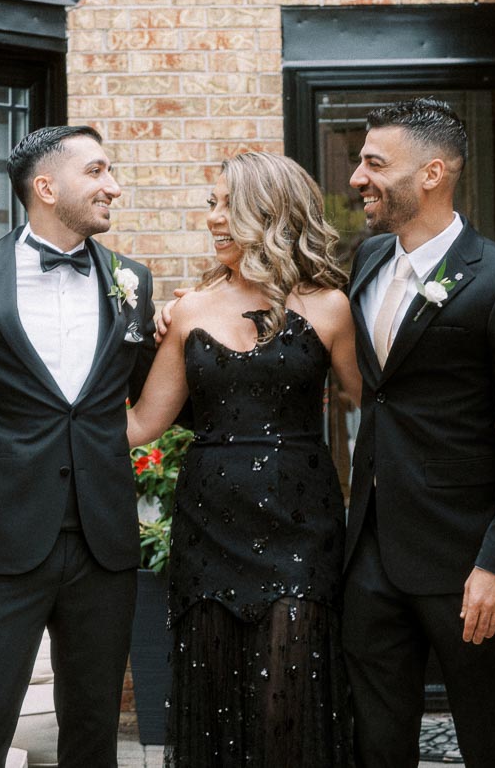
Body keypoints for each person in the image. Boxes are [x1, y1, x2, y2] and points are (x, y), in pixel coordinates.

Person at [0, 125, 158, 768]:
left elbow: (160, 396)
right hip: (0, 543)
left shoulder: (131, 281)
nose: (113, 186)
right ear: (47, 187)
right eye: (99, 172)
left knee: (93, 730)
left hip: (103, 541)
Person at [341, 98, 495, 767]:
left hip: (464, 559)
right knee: (377, 741)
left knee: (489, 738)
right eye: (359, 161)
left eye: (374, 163)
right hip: (370, 552)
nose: (357, 177)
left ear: (431, 173)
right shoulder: (368, 259)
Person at [126, 150, 361, 767]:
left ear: (271, 212)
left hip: (301, 529)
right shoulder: (190, 310)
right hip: (209, 530)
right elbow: (142, 424)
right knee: (216, 702)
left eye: (229, 204)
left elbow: (373, 408)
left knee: (289, 701)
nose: (214, 218)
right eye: (212, 203)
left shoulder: (330, 306)